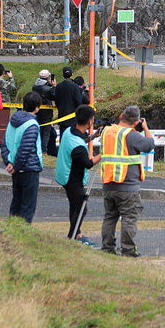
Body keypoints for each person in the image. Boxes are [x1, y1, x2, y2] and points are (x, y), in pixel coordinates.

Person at [100, 105, 154, 257]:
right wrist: (146, 128)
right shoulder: (131, 135)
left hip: (108, 182)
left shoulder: (107, 131)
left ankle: (107, 248)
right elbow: (149, 145)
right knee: (129, 218)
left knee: (110, 217)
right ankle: (128, 250)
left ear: (120, 115)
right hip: (127, 185)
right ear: (136, 122)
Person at [55, 105, 101, 244]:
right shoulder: (78, 147)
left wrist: (93, 136)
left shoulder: (70, 131)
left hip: (65, 174)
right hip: (72, 178)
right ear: (90, 121)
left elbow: (81, 139)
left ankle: (77, 234)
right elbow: (88, 163)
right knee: (81, 208)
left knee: (74, 206)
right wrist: (104, 154)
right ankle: (72, 236)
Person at [1, 91, 42, 224]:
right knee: (27, 207)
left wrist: (9, 162)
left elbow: (5, 143)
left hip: (15, 169)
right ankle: (23, 235)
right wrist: (16, 165)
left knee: (16, 204)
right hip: (28, 168)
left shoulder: (12, 121)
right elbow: (26, 148)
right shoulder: (32, 124)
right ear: (36, 107)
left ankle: (11, 231)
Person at [32, 69, 57, 156]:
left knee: (38, 131)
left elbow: (44, 91)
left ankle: (36, 148)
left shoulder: (34, 86)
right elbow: (54, 96)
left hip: (37, 112)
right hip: (47, 114)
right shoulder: (48, 89)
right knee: (46, 132)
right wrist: (54, 86)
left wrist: (49, 86)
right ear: (47, 78)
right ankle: (44, 150)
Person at [54, 66, 83, 140]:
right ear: (72, 74)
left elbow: (56, 101)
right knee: (72, 138)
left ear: (63, 75)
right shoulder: (75, 87)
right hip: (72, 118)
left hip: (62, 117)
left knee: (63, 138)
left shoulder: (58, 86)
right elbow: (78, 101)